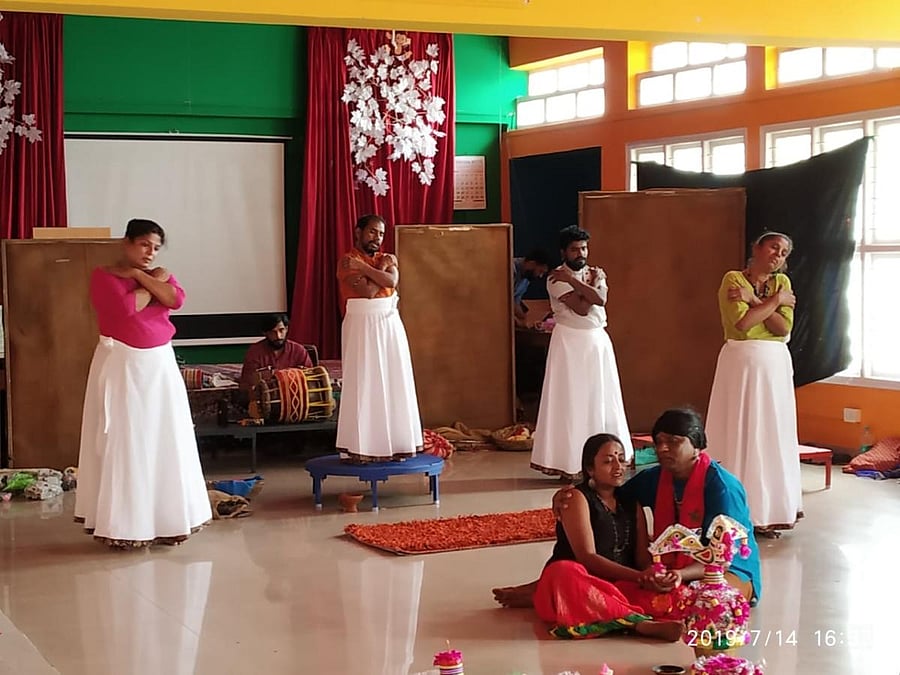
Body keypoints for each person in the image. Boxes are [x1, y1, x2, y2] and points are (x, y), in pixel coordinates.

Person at [495, 409, 762, 615]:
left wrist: (680, 575)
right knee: (648, 586)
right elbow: (606, 495)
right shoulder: (655, 478)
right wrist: (569, 493)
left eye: (674, 441)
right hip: (673, 571)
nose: (662, 449)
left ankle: (557, 593)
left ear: (697, 446)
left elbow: (723, 555)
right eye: (659, 441)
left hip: (725, 571)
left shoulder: (723, 488)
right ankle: (552, 589)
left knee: (706, 603)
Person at [74, 218, 211, 547]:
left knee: (166, 437)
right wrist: (150, 282)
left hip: (160, 365)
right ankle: (125, 527)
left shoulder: (155, 274)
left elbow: (175, 299)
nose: (150, 253)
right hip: (124, 364)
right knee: (128, 439)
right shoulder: (104, 276)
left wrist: (139, 276)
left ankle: (170, 521)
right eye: (144, 245)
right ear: (127, 243)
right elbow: (125, 309)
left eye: (156, 248)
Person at [495, 433, 684, 641]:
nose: (618, 466)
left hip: (617, 586)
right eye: (608, 461)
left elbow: (642, 558)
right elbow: (587, 557)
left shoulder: (632, 503)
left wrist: (651, 576)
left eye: (621, 459)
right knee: (563, 572)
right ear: (590, 469)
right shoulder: (575, 498)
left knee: (677, 596)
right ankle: (640, 624)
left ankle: (539, 594)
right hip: (577, 584)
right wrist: (638, 577)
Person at [706, 232, 802, 538]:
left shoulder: (782, 283)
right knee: (741, 430)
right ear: (757, 248)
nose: (778, 255)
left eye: (784, 252)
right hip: (741, 365)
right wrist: (774, 304)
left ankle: (769, 510)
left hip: (775, 367)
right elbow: (744, 325)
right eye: (774, 247)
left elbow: (783, 328)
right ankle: (735, 509)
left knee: (771, 432)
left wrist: (755, 301)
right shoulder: (733, 279)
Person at [530, 225, 632, 480]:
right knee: (570, 400)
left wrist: (582, 284)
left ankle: (605, 460)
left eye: (584, 248)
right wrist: (583, 285)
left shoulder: (596, 273)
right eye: (575, 249)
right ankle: (569, 461)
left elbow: (600, 300)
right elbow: (582, 308)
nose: (581, 253)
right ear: (563, 252)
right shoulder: (555, 278)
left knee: (600, 397)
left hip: (597, 343)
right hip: (568, 343)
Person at [334, 214, 423, 461]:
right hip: (362, 323)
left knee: (394, 377)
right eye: (372, 232)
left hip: (389, 323)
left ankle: (397, 443)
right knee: (365, 380)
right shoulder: (347, 261)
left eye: (381, 234)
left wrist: (368, 269)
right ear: (358, 232)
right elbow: (368, 291)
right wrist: (377, 269)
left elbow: (392, 280)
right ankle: (364, 446)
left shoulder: (385, 258)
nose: (377, 238)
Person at [239, 313, 313, 392]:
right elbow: (247, 383)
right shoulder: (255, 352)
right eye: (272, 332)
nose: (278, 336)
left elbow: (311, 378)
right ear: (265, 333)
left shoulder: (299, 350)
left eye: (281, 330)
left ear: (286, 329)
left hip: (295, 393)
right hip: (265, 395)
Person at [512, 249, 550, 326]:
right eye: (540, 271)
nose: (540, 276)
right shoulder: (509, 268)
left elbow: (515, 302)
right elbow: (501, 299)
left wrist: (525, 320)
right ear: (531, 263)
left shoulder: (526, 279)